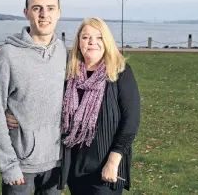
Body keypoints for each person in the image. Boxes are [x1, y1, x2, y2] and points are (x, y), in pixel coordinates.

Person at [0, 0, 67, 195]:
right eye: (37, 8)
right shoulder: (8, 55)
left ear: (59, 12)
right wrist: (9, 165)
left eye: (50, 8)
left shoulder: (64, 53)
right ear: (26, 12)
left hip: (57, 160)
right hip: (21, 164)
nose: (44, 14)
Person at [60, 17, 141, 195]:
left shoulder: (120, 71)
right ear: (79, 41)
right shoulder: (70, 74)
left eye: (98, 37)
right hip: (75, 167)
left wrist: (114, 160)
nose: (92, 42)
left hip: (105, 168)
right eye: (86, 37)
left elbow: (131, 120)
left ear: (106, 41)